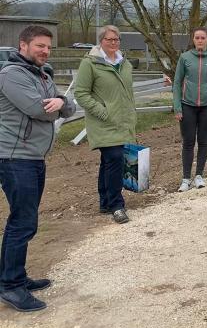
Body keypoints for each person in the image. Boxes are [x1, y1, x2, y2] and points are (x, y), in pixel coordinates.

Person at [0, 26, 75, 312]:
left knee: (24, 220)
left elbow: (68, 107)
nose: (45, 51)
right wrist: (59, 104)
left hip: (33, 158)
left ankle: (13, 276)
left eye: (48, 47)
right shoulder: (11, 75)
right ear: (23, 45)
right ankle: (11, 287)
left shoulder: (41, 75)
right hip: (15, 157)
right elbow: (36, 108)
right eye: (39, 46)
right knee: (22, 222)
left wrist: (62, 101)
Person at [75, 25, 136, 224]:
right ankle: (117, 205)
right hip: (103, 122)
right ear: (101, 41)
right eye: (109, 39)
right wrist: (102, 111)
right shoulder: (90, 63)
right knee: (115, 159)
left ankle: (104, 201)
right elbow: (81, 93)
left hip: (122, 121)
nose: (113, 43)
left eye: (116, 39)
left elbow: (127, 93)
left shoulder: (124, 63)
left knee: (109, 162)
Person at [173, 27, 207, 191]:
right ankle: (186, 178)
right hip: (187, 105)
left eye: (203, 37)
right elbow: (176, 82)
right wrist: (177, 107)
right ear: (193, 40)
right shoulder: (185, 58)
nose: (200, 40)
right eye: (197, 37)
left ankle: (199, 176)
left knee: (203, 141)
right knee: (188, 142)